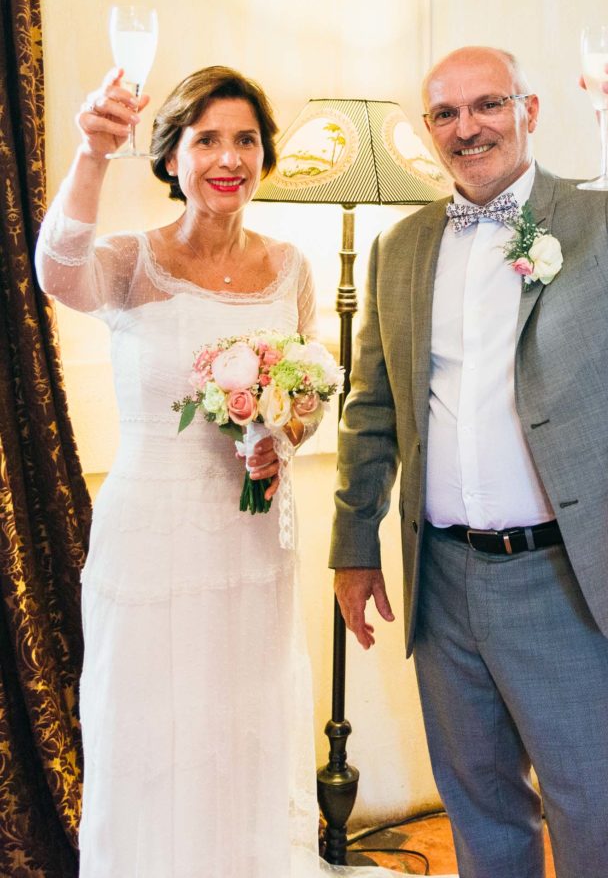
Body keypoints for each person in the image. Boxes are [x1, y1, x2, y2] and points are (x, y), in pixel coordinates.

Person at [330, 39, 608, 878]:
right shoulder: (399, 247)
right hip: (442, 580)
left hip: (572, 577)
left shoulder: (601, 213)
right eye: (445, 111)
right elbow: (372, 407)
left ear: (530, 111)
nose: (467, 127)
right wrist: (355, 544)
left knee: (598, 818)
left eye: (488, 104)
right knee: (479, 809)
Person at [36, 66, 403, 877]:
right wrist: (93, 154)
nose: (227, 157)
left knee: (241, 727)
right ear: (172, 157)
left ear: (265, 157)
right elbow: (56, 273)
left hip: (248, 544)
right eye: (207, 139)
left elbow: (304, 396)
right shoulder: (134, 260)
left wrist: (285, 433)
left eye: (245, 139)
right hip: (151, 540)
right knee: (153, 729)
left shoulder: (291, 268)